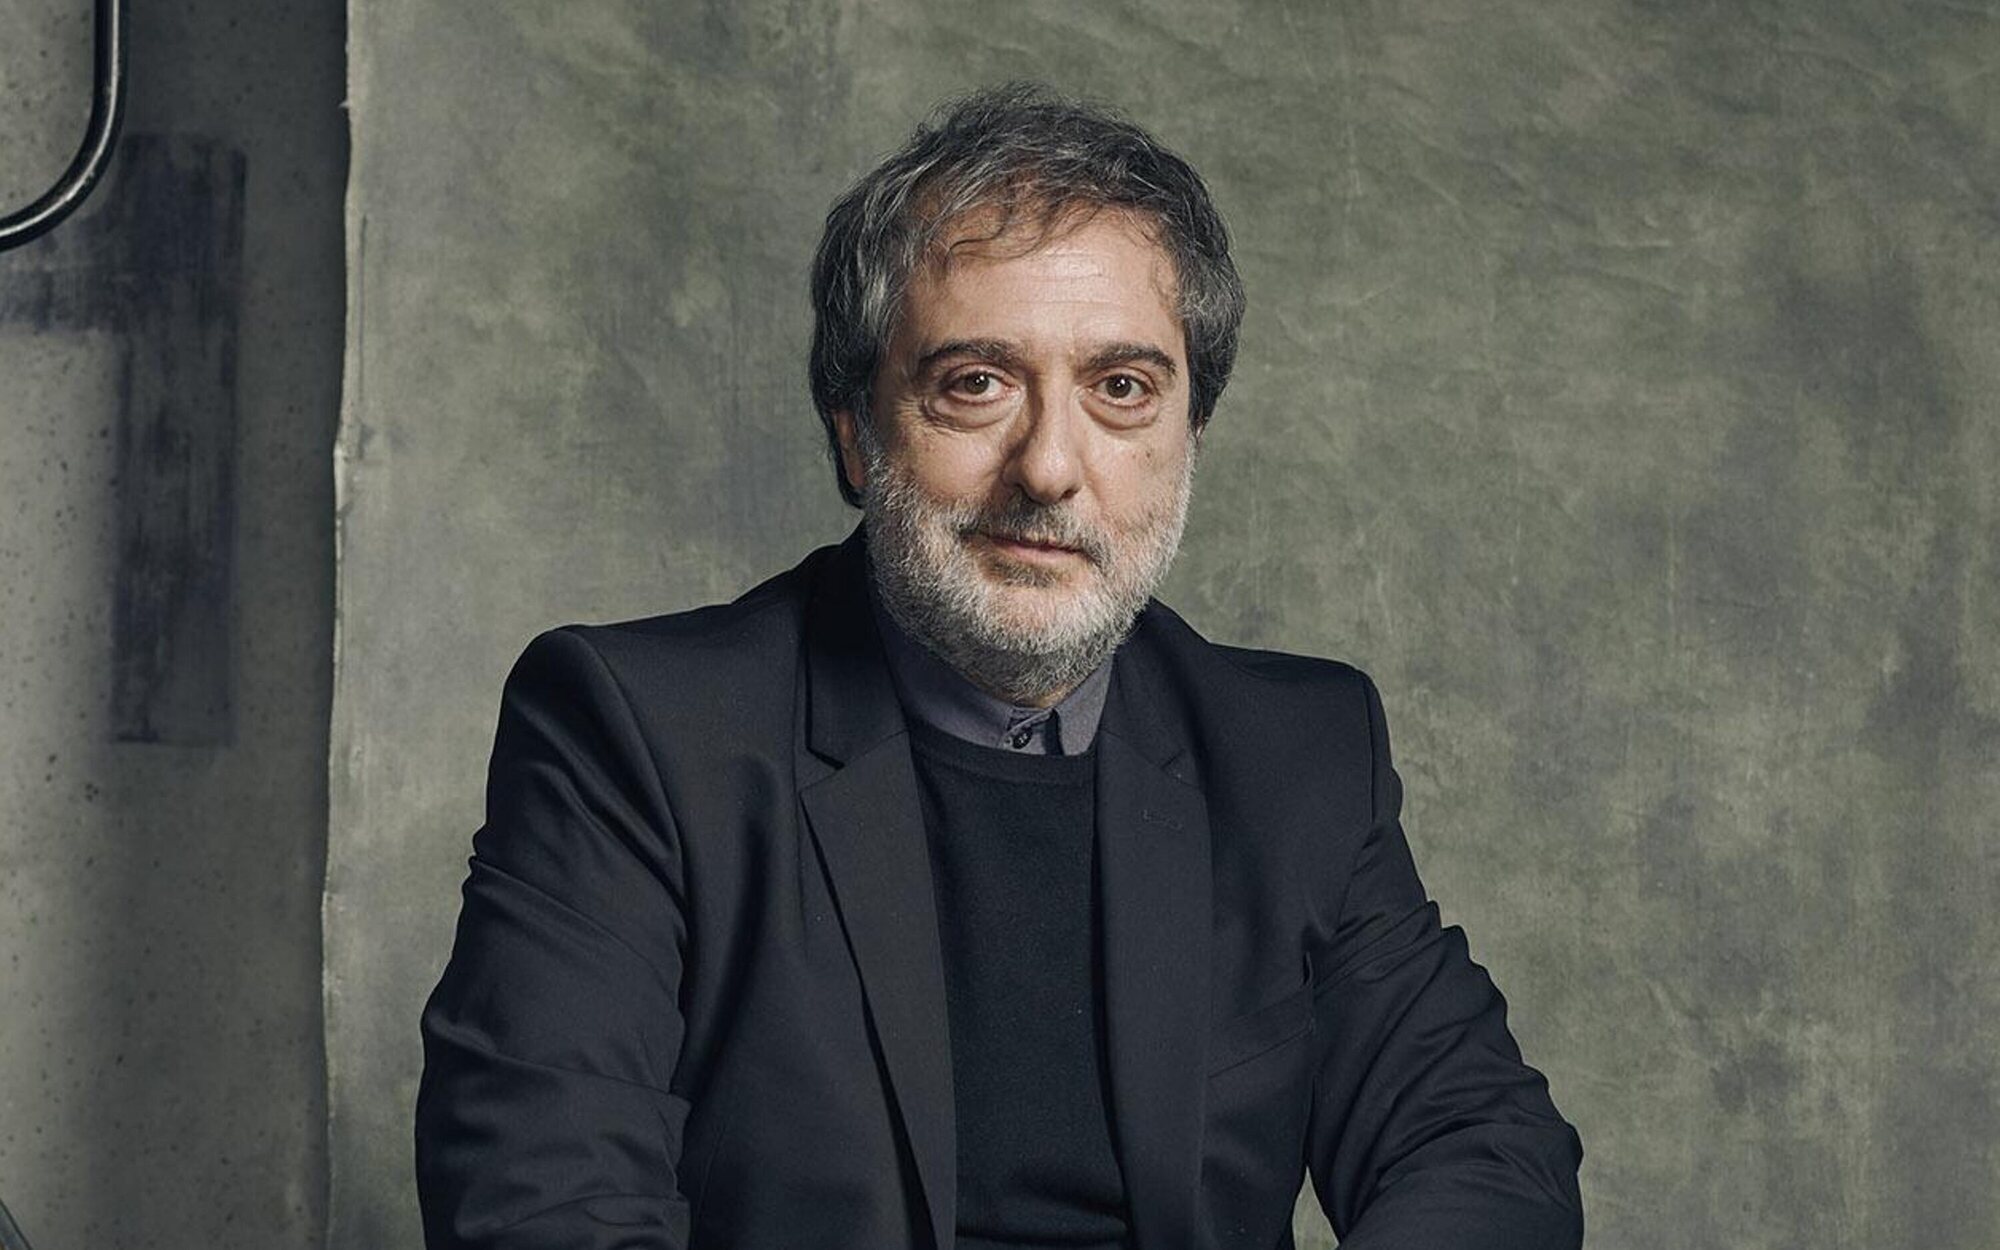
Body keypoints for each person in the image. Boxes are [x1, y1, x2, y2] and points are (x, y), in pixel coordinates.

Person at [415, 83, 1584, 1249]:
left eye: (1120, 389)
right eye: (975, 382)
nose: (1049, 468)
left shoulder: (1294, 753)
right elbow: (544, 1206)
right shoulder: (634, 734)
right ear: (855, 434)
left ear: (1187, 437)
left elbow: (1478, 1145)